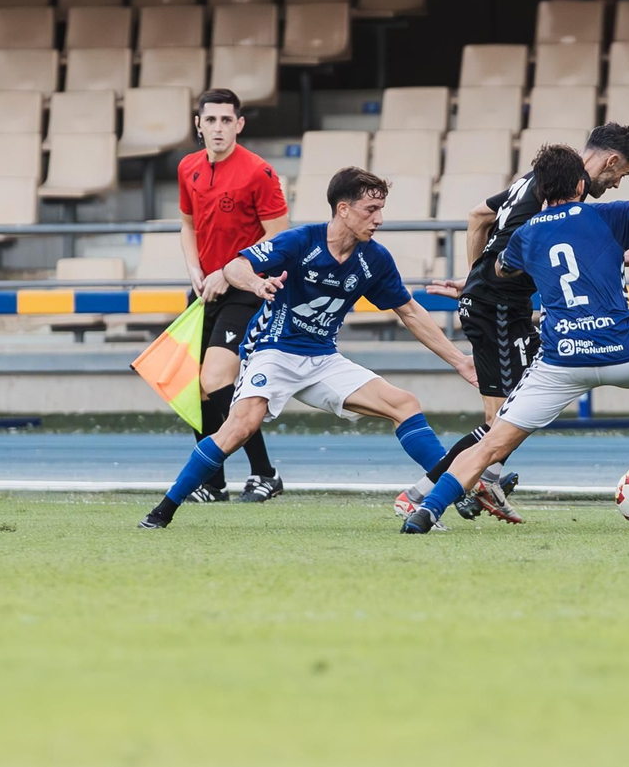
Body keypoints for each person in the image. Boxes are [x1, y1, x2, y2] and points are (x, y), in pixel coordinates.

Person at [402, 145, 629, 534]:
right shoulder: (610, 216)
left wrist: (478, 279)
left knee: (491, 445)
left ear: (540, 190)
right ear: (581, 183)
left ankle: (426, 510)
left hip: (560, 362)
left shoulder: (525, 235)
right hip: (623, 351)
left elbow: (500, 268)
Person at [140, 167, 478, 529]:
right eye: (370, 209)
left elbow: (410, 312)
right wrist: (256, 285)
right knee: (240, 426)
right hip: (274, 350)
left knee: (404, 404)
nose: (379, 219)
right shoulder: (300, 242)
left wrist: (460, 360)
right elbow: (234, 267)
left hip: (322, 358)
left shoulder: (374, 259)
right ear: (343, 209)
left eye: (381, 209)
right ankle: (163, 509)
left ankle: (449, 490)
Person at [176, 88, 288, 503]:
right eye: (211, 120)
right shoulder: (188, 167)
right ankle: (212, 480)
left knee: (216, 378)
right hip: (205, 288)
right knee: (195, 387)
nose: (219, 128)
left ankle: (265, 473)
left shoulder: (259, 172)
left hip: (248, 288)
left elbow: (279, 236)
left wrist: (229, 270)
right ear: (198, 125)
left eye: (227, 120)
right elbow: (188, 224)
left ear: (239, 125)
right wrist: (196, 271)